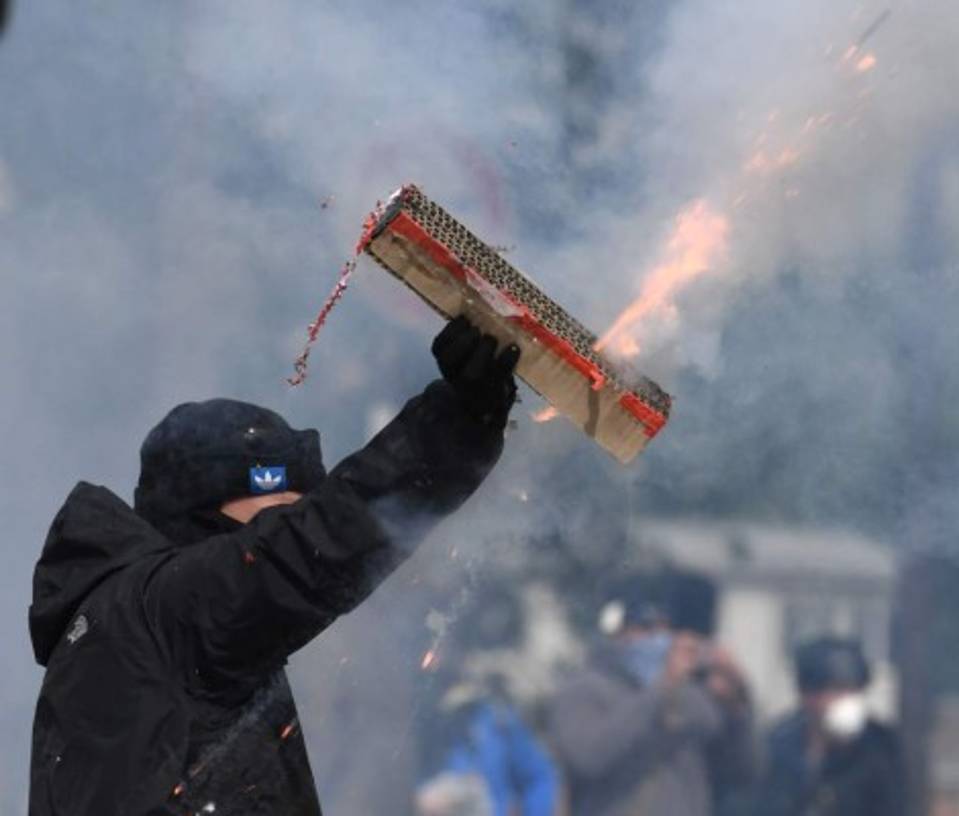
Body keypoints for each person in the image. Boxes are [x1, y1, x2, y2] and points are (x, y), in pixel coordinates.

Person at [27, 316, 519, 816]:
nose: (289, 524)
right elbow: (311, 549)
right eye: (279, 512)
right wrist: (455, 427)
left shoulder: (138, 624)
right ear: (206, 504)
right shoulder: (164, 611)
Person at [549, 582, 755, 816]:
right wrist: (661, 689)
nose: (658, 639)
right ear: (618, 633)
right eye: (645, 628)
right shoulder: (583, 691)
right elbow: (590, 758)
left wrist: (737, 707)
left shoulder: (692, 697)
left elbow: (741, 772)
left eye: (665, 629)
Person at [759, 638, 903, 816]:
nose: (847, 700)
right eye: (837, 690)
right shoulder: (779, 743)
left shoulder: (880, 746)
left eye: (853, 690)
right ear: (809, 695)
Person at [415, 667, 559, 816]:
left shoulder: (499, 722)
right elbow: (417, 789)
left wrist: (529, 811)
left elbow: (539, 778)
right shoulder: (426, 729)